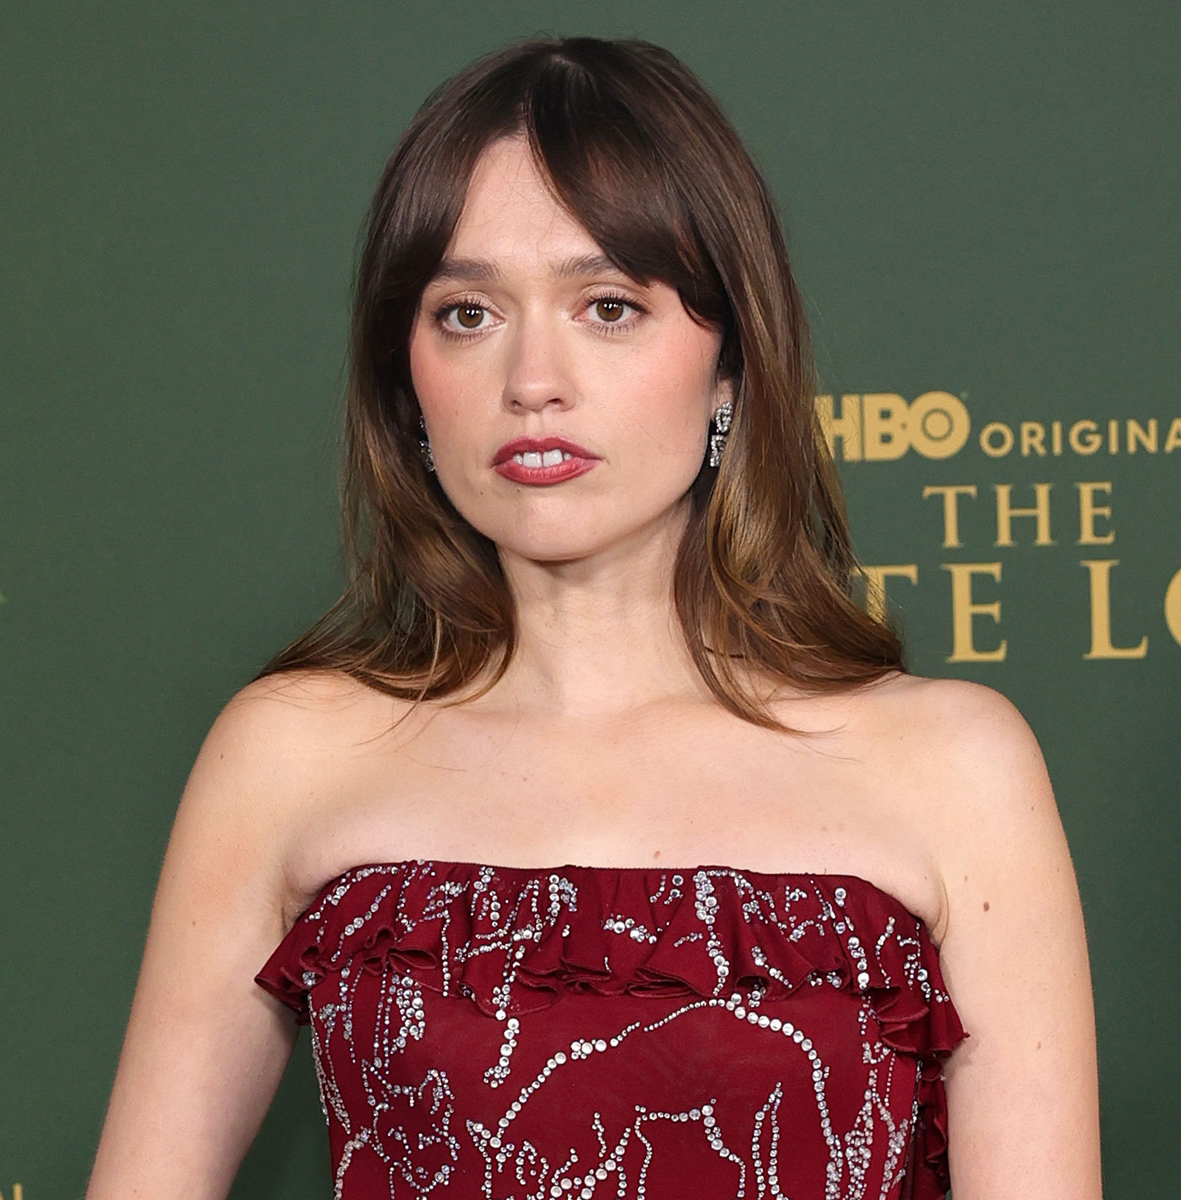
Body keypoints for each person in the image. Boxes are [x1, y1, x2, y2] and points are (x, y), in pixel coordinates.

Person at [86, 35, 1101, 1200]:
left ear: (729, 369)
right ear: (405, 383)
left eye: (608, 306)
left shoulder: (955, 769)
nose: (534, 379)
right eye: (466, 313)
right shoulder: (288, 754)